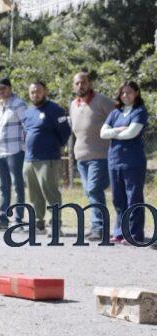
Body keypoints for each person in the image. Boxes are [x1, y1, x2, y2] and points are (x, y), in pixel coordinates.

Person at [69, 71, 115, 241]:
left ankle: (100, 227)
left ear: (90, 83)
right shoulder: (74, 104)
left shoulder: (102, 101)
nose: (80, 86)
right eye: (77, 83)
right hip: (81, 156)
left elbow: (119, 117)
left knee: (94, 189)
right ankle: (97, 225)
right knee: (90, 193)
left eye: (83, 82)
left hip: (100, 155)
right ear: (73, 86)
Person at [101, 81, 149, 245]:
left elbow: (131, 133)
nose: (125, 95)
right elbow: (102, 133)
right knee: (118, 198)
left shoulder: (139, 111)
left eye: (128, 92)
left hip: (132, 161)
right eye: (122, 93)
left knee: (133, 197)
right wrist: (117, 131)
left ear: (136, 93)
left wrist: (113, 132)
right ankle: (120, 232)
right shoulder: (115, 112)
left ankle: (135, 234)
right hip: (115, 161)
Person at [21, 81, 72, 235]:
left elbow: (65, 131)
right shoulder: (28, 113)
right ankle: (39, 224)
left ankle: (56, 225)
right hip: (29, 159)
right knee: (34, 194)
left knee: (50, 192)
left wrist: (55, 146)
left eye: (38, 91)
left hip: (48, 158)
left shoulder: (55, 109)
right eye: (32, 92)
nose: (35, 94)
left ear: (45, 92)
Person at [0, 77, 28, 231]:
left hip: (15, 150)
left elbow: (27, 126)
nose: (1, 91)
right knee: (3, 186)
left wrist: (24, 147)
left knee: (17, 185)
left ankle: (18, 220)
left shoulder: (19, 104)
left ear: (10, 88)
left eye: (3, 88)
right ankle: (2, 219)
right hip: (0, 151)